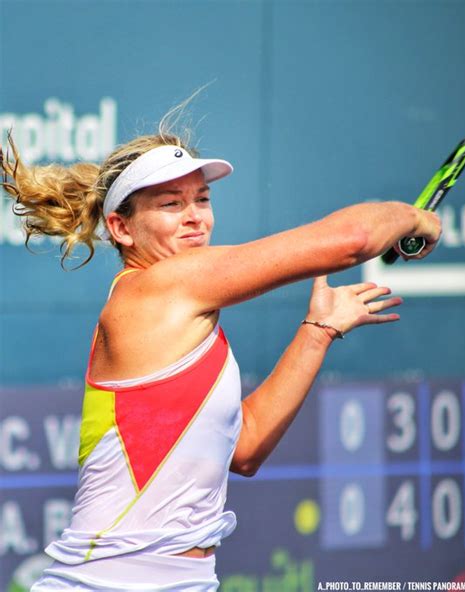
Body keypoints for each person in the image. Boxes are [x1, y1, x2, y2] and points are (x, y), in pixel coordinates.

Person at [1, 115, 441, 591]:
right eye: (171, 204)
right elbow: (353, 241)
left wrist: (318, 331)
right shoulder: (160, 288)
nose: (195, 216)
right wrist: (415, 218)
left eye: (202, 200)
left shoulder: (186, 312)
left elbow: (246, 447)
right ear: (121, 229)